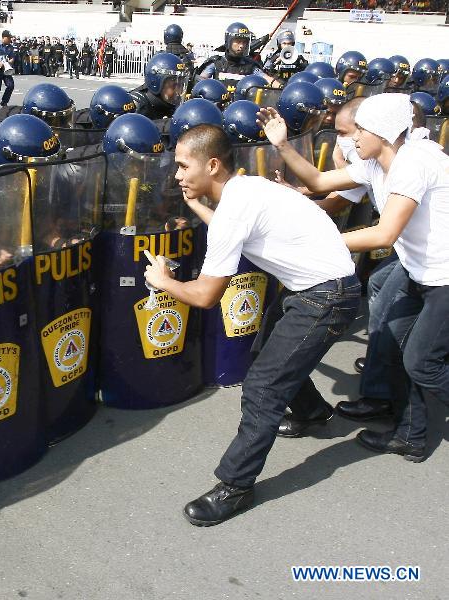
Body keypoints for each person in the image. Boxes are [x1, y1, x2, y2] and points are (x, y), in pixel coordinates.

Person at [143, 123, 359, 526]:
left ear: (210, 165)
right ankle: (314, 413)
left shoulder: (235, 208)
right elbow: (233, 226)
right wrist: (197, 206)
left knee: (262, 386)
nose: (176, 175)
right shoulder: (247, 189)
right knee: (266, 354)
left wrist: (165, 282)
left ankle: (235, 486)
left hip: (326, 296)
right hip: (318, 286)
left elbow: (207, 296)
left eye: (181, 165)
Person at [260, 94, 449, 460]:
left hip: (444, 277)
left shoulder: (414, 162)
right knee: (397, 349)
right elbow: (316, 179)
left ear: (382, 131)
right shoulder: (374, 164)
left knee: (421, 362)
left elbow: (383, 235)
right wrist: (282, 144)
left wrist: (320, 242)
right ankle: (411, 436)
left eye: (360, 129)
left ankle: (411, 429)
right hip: (418, 271)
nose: (352, 138)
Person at [131, 52, 190, 120]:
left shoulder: (172, 106)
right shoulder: (137, 106)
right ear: (155, 82)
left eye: (181, 83)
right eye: (174, 83)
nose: (178, 90)